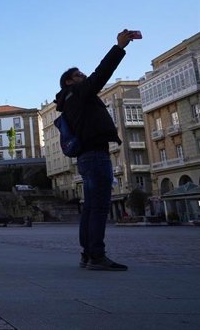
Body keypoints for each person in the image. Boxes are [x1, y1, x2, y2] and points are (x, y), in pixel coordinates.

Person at [55, 29, 138, 271]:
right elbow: (101, 75)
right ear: (70, 81)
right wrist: (119, 47)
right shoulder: (78, 93)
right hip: (95, 155)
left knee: (91, 207)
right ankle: (97, 255)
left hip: (86, 157)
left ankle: (87, 254)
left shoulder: (69, 99)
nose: (84, 76)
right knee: (99, 206)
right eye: (78, 74)